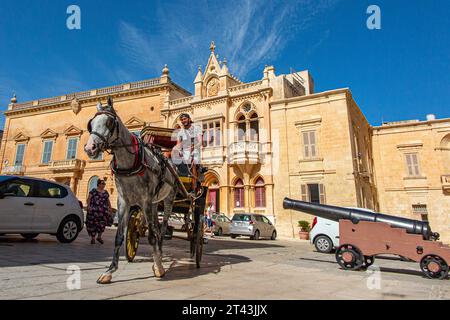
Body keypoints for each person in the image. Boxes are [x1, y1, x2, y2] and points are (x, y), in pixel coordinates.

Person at [86, 179, 112, 244]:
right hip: (94, 210)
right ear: (99, 184)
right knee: (92, 224)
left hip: (103, 211)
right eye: (102, 183)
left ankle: (99, 237)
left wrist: (110, 208)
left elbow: (108, 201)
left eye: (104, 184)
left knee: (102, 224)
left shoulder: (105, 192)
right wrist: (88, 206)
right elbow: (89, 198)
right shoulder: (93, 191)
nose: (104, 185)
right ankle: (93, 238)